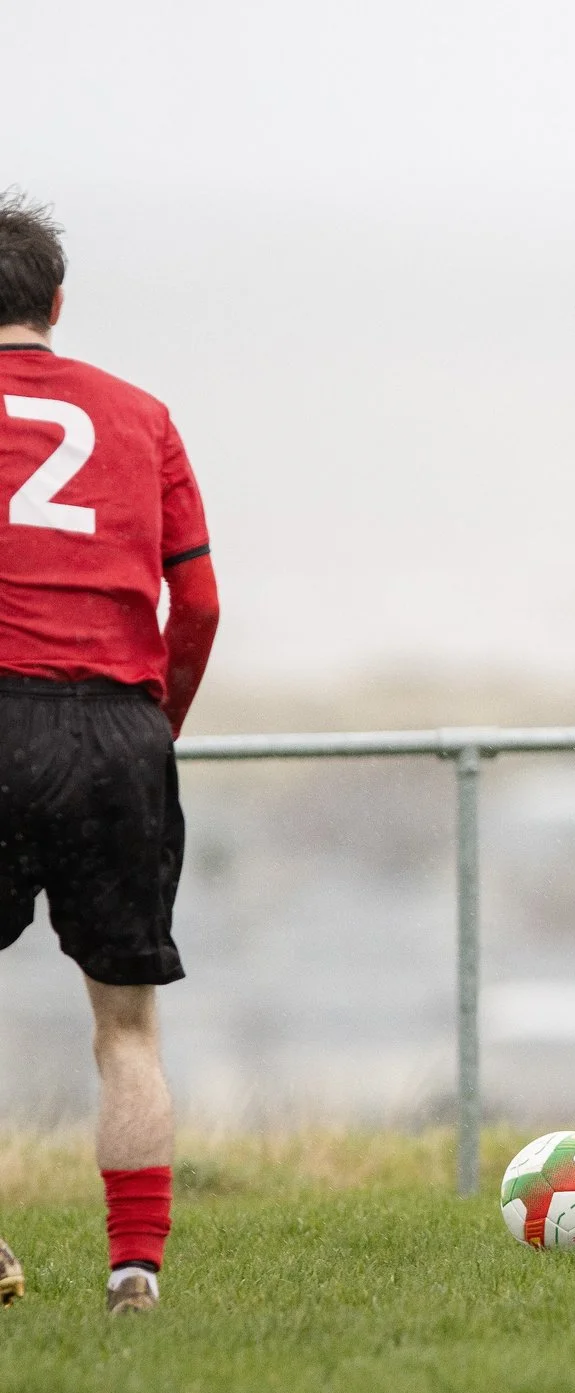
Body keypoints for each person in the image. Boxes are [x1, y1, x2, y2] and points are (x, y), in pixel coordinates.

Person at [0, 193, 221, 1313]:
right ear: (57, 302)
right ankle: (132, 1268)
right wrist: (154, 723)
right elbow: (201, 601)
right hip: (115, 728)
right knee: (126, 1027)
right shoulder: (142, 415)